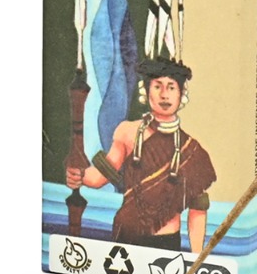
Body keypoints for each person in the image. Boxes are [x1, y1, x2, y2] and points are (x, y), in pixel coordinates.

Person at [69, 62, 216, 252]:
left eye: (171, 87)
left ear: (181, 94)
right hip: (126, 236)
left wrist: (196, 258)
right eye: (157, 87)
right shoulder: (126, 132)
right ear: (145, 92)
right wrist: (80, 176)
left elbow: (197, 210)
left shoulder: (192, 152)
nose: (164, 95)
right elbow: (101, 176)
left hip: (167, 242)